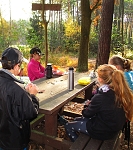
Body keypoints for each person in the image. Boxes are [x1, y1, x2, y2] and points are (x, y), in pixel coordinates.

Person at [64, 64, 133, 142]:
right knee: (76, 119)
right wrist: (93, 104)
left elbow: (86, 114)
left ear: (100, 79)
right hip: (112, 128)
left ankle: (77, 145)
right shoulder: (118, 91)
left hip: (102, 131)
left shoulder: (101, 96)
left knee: (68, 126)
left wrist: (87, 105)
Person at [0, 47, 39, 150]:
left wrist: (23, 92)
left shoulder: (15, 88)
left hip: (2, 138)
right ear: (17, 66)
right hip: (15, 141)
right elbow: (32, 112)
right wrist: (33, 95)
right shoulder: (17, 89)